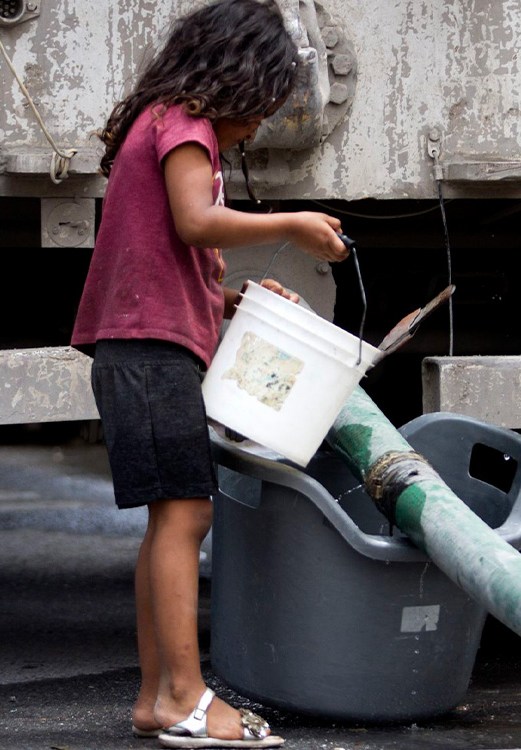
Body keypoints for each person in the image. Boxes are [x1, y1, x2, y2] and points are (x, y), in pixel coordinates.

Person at [70, 1, 348, 746]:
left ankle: (156, 696)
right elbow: (195, 222)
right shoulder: (185, 128)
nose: (259, 124)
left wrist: (231, 300)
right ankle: (188, 699)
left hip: (142, 343)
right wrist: (293, 223)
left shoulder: (163, 122)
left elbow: (166, 253)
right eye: (262, 102)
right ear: (237, 78)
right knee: (187, 515)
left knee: (172, 518)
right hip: (149, 350)